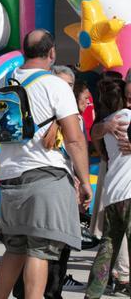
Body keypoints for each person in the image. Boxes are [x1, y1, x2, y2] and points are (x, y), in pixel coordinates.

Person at [0, 30, 91, 299]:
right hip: (45, 176)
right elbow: (74, 140)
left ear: (24, 52)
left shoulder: (5, 81)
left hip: (10, 178)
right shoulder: (56, 85)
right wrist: (84, 181)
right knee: (40, 250)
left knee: (14, 248)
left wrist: (11, 123)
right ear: (52, 54)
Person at [85, 78, 131, 298]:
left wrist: (103, 126)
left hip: (113, 195)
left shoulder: (111, 120)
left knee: (107, 248)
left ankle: (92, 294)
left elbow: (93, 133)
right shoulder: (128, 118)